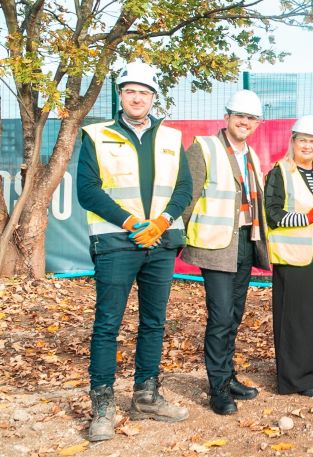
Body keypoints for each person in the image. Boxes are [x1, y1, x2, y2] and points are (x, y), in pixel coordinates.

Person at [77, 61, 192, 442]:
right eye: (130, 91)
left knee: (154, 323)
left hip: (159, 243)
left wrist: (159, 223)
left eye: (144, 91)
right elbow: (88, 190)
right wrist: (132, 223)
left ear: (153, 97)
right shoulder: (96, 135)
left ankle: (145, 396)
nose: (137, 97)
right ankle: (103, 407)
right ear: (121, 95)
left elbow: (184, 189)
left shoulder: (172, 138)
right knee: (107, 325)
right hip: (115, 243)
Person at [181, 89, 270, 415]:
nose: (244, 122)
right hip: (216, 244)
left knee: (233, 316)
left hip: (245, 241)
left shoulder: (252, 156)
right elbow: (188, 198)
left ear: (257, 123)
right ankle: (218, 389)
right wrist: (186, 236)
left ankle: (228, 376)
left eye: (250, 118)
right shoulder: (205, 148)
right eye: (239, 116)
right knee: (220, 317)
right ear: (227, 117)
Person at [264, 115, 313, 397]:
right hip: (294, 256)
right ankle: (298, 379)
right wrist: (304, 218)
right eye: (302, 140)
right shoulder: (280, 172)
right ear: (293, 142)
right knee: (297, 319)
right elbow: (272, 213)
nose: (307, 146)